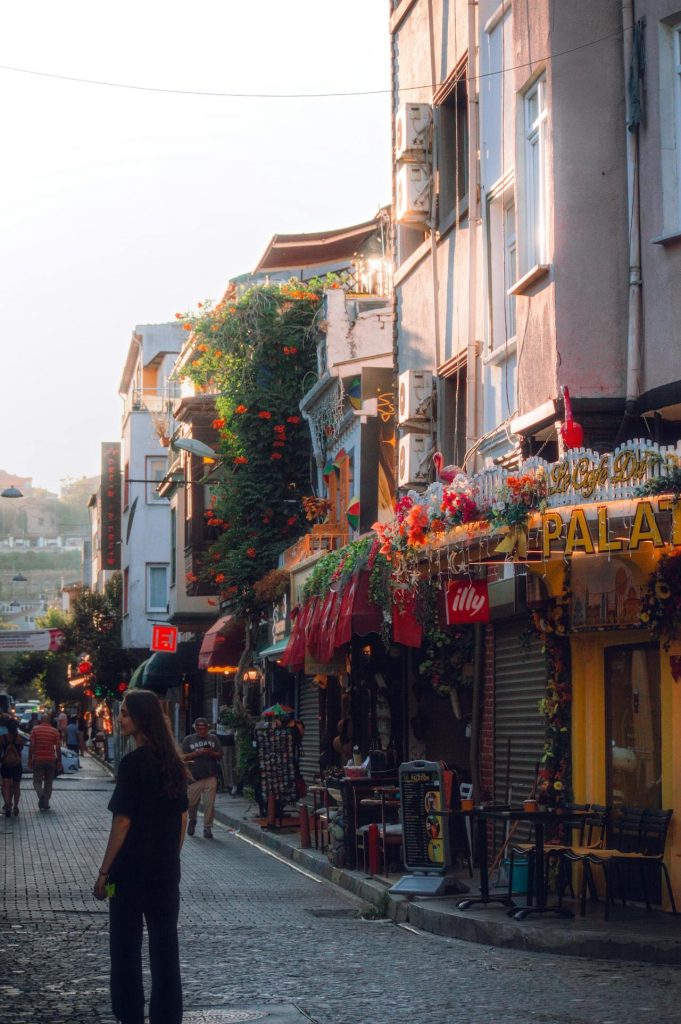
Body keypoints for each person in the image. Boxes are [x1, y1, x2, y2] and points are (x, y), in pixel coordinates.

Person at [94, 689, 188, 1024]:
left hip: (127, 875)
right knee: (165, 947)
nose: (119, 719)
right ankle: (166, 1015)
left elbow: (122, 820)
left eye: (124, 714)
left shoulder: (132, 764)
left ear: (140, 718)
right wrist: (168, 856)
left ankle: (129, 1013)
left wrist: (104, 872)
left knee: (124, 948)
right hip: (165, 874)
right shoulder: (174, 764)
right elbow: (182, 818)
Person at [181, 717, 222, 839]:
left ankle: (207, 827)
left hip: (210, 776)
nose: (202, 731)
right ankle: (192, 820)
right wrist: (197, 753)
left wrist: (210, 753)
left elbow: (220, 756)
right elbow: (183, 757)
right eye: (199, 728)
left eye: (204, 728)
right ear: (195, 728)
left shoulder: (213, 739)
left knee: (209, 803)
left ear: (208, 728)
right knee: (192, 803)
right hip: (194, 777)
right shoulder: (188, 740)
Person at [29, 713, 62, 810]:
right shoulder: (55, 731)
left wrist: (30, 759)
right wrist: (59, 761)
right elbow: (58, 748)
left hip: (38, 760)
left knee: (36, 782)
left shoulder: (35, 730)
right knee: (48, 782)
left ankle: (41, 794)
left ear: (41, 721)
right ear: (50, 721)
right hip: (50, 760)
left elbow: (32, 746)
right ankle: (45, 802)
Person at [1, 718, 25, 816]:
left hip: (6, 764)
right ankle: (16, 806)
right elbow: (21, 749)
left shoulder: (2, 738)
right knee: (16, 786)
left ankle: (7, 805)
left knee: (6, 785)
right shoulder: (20, 738)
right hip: (16, 765)